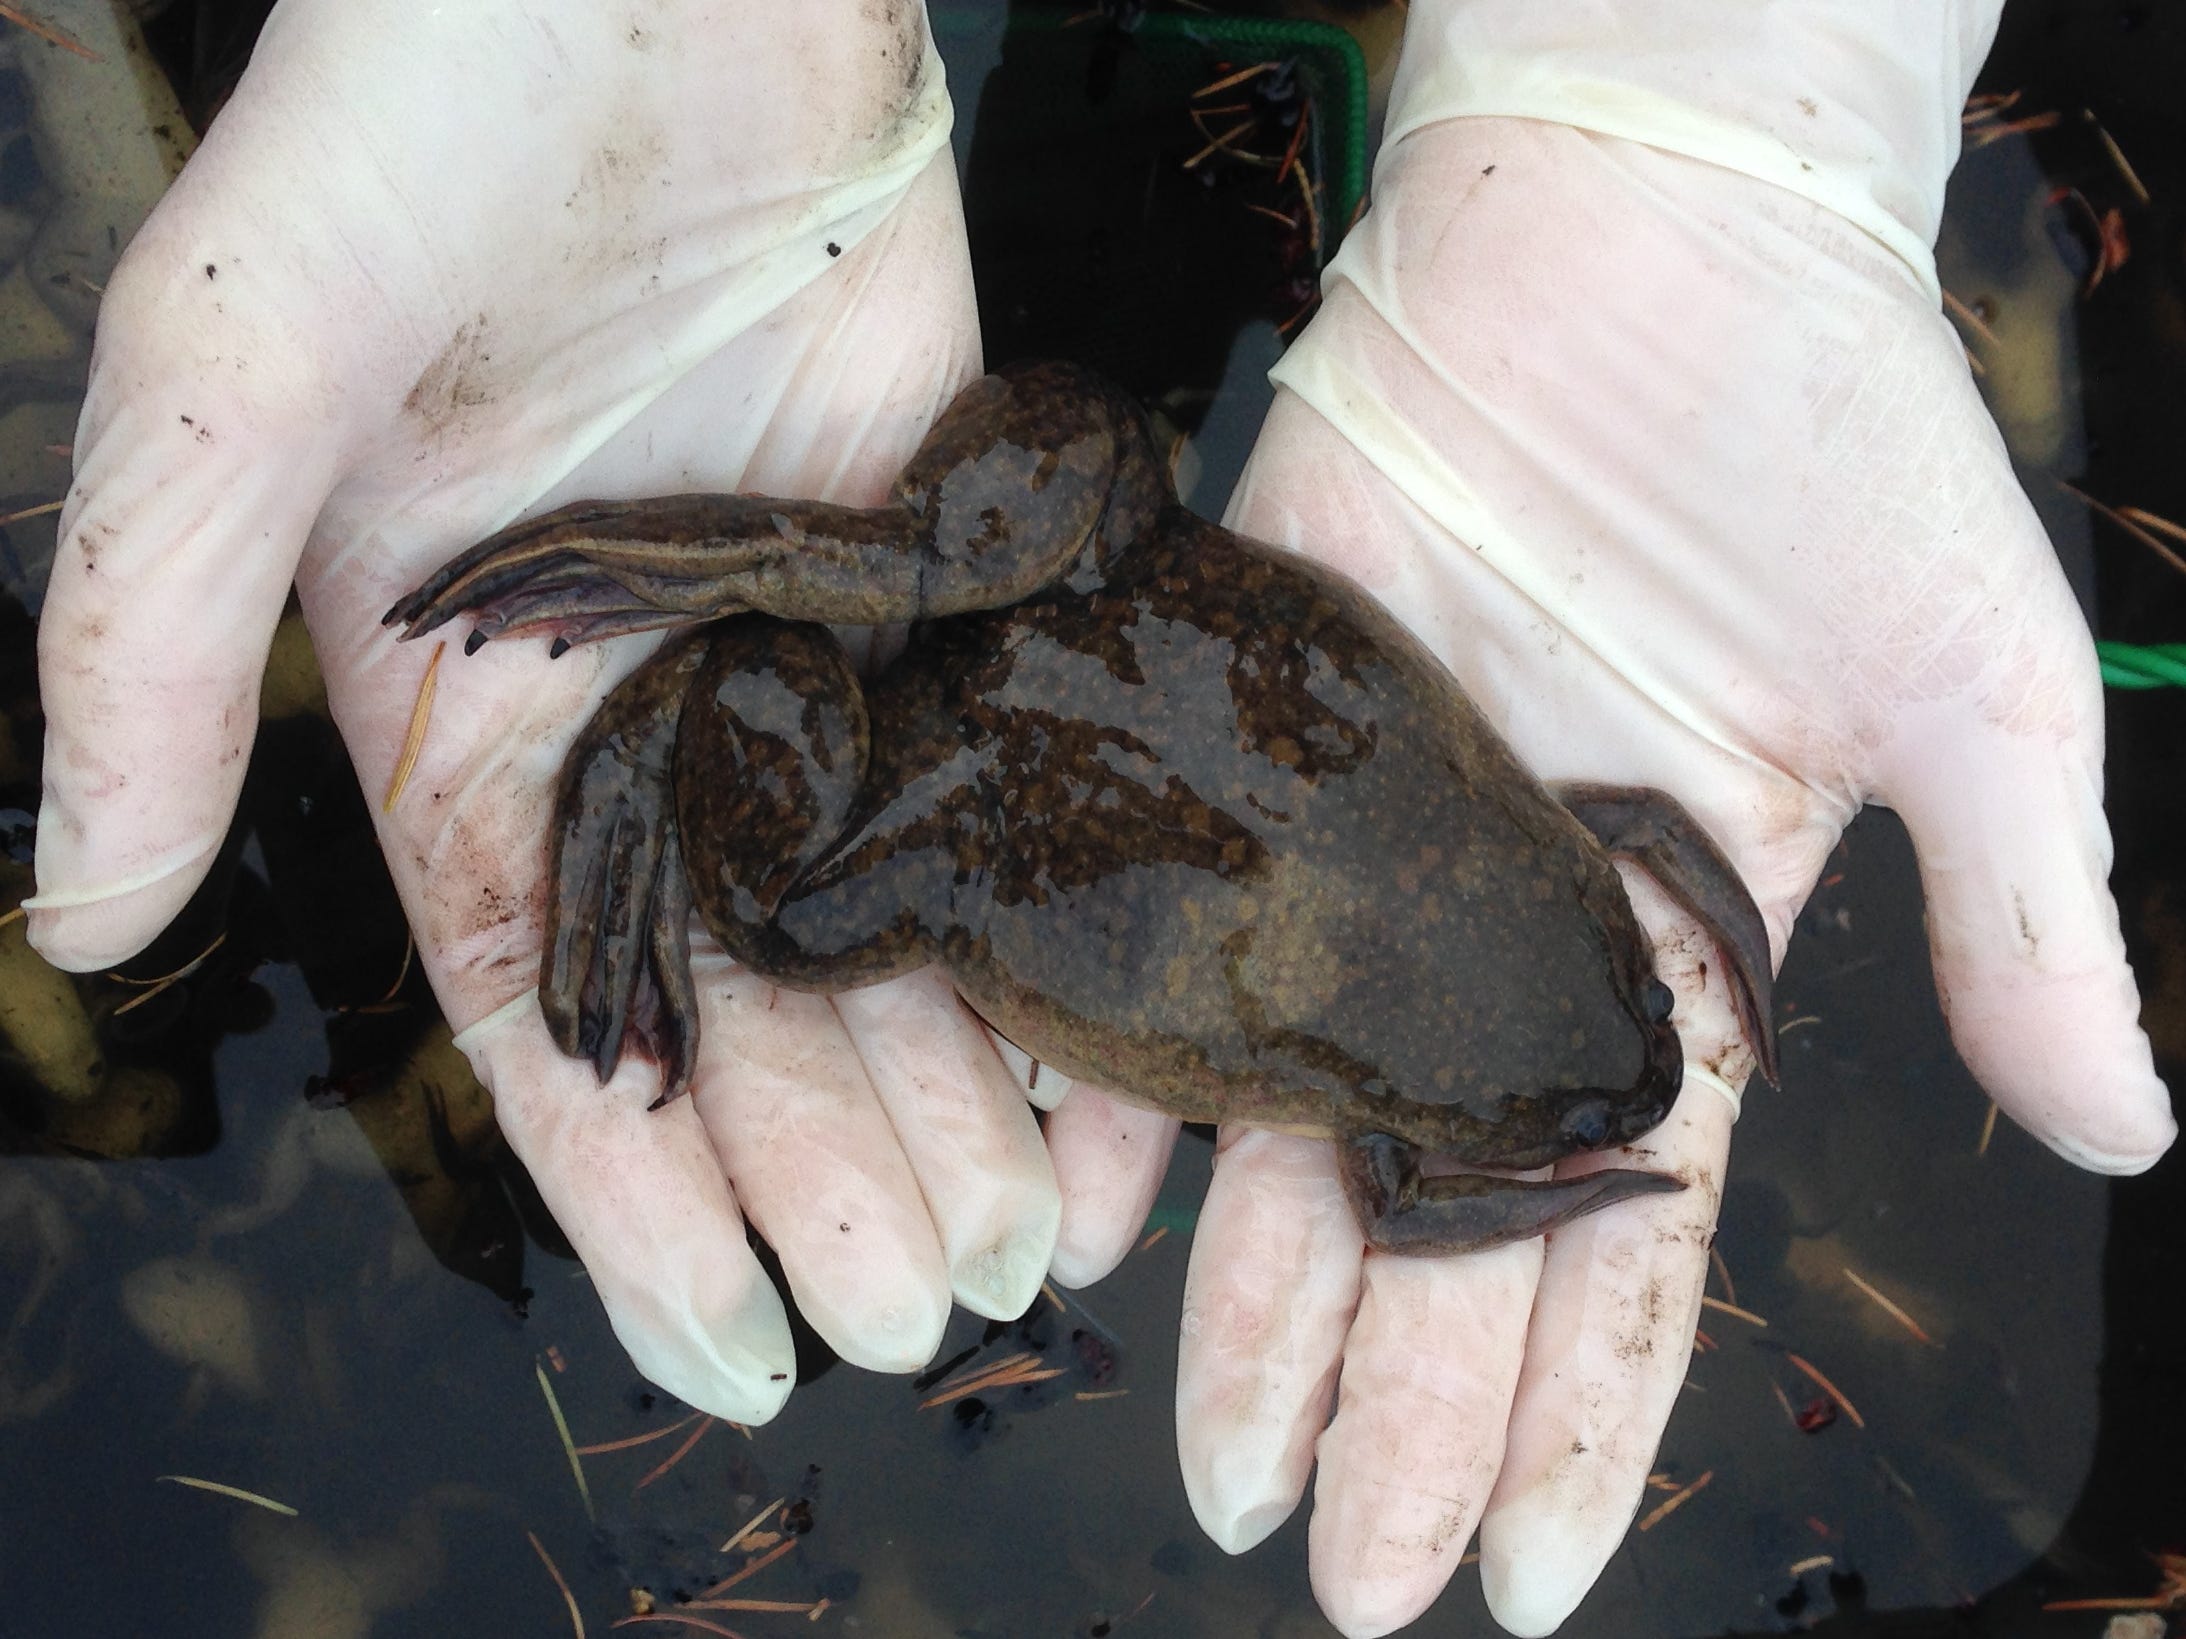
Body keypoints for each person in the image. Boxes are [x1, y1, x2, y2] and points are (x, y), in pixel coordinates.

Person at [29, 2, 2173, 1634]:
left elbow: (1615, 857)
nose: (1632, 961)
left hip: (1056, 570)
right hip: (986, 669)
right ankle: (708, 663)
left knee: (866, 720)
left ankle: (772, 615)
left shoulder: (1555, 863)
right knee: (783, 923)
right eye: (1637, 950)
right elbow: (1436, 1185)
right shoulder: (1431, 1103)